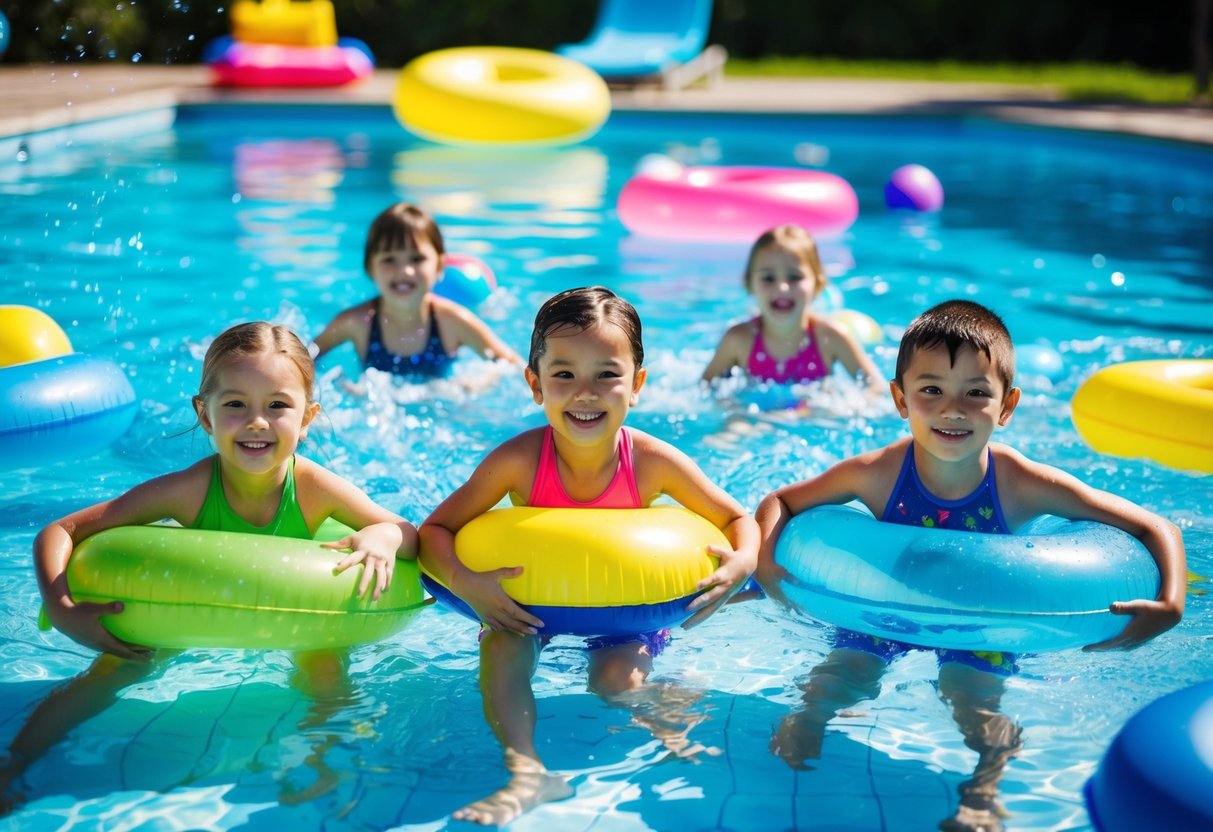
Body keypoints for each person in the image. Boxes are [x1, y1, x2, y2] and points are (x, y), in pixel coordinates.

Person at [753, 299, 1186, 832]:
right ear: (899, 399)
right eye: (930, 390)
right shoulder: (880, 473)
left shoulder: (1020, 483)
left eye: (976, 393)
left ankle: (985, 787)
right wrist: (768, 566)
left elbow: (1156, 526)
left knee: (971, 699)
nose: (951, 410)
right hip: (885, 607)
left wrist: (1170, 602)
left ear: (1007, 406)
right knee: (838, 676)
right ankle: (811, 722)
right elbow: (782, 502)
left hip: (981, 622)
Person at [4, 321, 418, 811]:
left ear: (307, 417)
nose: (257, 422)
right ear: (205, 415)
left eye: (278, 406)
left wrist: (379, 536)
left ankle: (324, 779)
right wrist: (64, 607)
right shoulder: (189, 489)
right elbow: (62, 531)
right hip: (192, 600)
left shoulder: (314, 487)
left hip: (303, 612)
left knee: (325, 668)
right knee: (116, 664)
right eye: (235, 404)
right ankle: (15, 763)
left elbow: (407, 533)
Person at [419, 286, 759, 826]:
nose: (585, 393)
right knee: (502, 655)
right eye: (564, 375)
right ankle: (526, 772)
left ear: (637, 384)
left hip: (627, 616)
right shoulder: (517, 461)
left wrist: (742, 565)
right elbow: (434, 531)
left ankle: (668, 706)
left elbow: (738, 519)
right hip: (525, 609)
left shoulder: (651, 461)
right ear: (535, 385)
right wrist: (468, 581)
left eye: (606, 374)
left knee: (613, 684)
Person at [312, 202, 520, 378]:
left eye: (417, 259)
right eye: (389, 260)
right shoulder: (356, 322)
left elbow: (511, 364)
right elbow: (303, 359)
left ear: (439, 266)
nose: (404, 270)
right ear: (370, 268)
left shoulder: (453, 321)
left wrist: (481, 382)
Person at [702, 224, 883, 392]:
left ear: (818, 284)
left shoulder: (830, 337)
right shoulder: (739, 340)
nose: (782, 287)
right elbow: (705, 389)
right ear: (749, 284)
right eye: (768, 278)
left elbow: (876, 387)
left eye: (794, 277)